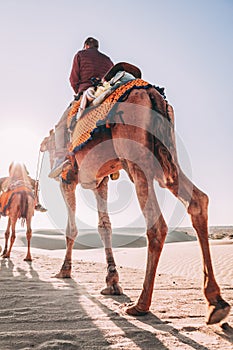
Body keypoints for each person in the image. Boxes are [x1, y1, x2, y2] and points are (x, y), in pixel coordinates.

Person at [49, 37, 114, 178]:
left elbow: (73, 79)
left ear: (86, 45)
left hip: (86, 92)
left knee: (60, 127)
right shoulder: (108, 60)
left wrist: (79, 92)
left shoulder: (81, 54)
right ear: (97, 46)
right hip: (105, 94)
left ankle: (60, 158)